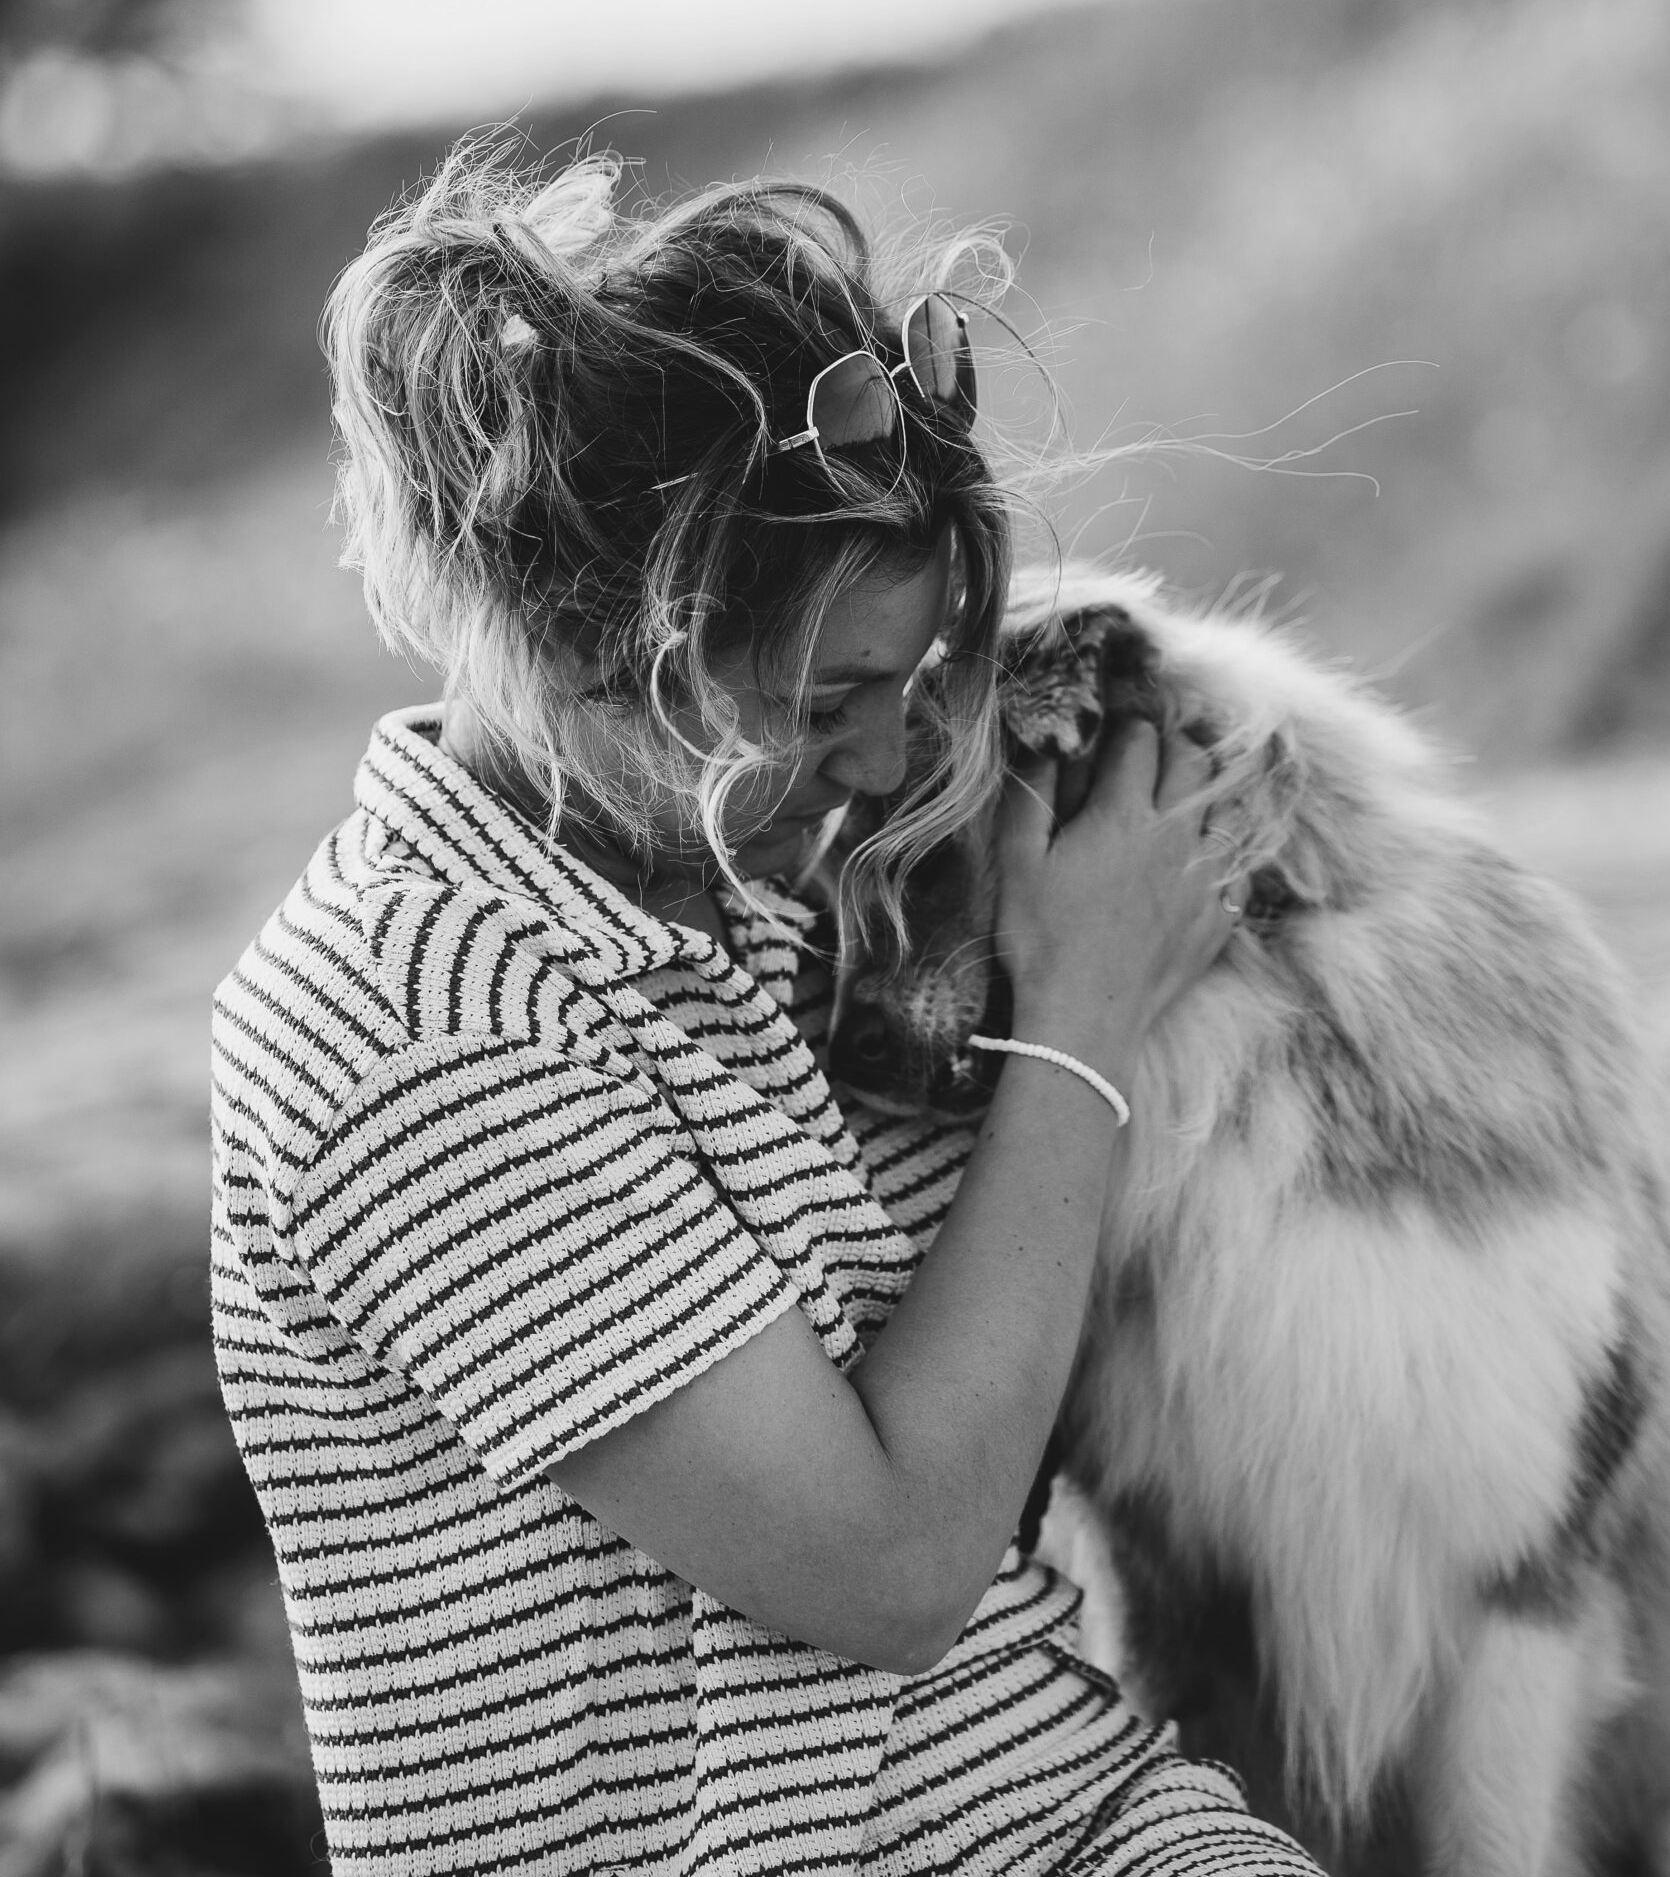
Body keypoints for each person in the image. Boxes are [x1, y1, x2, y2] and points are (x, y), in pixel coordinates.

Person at [211, 146, 1321, 1877]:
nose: (891, 763)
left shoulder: (731, 901)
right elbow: (888, 1572)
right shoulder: (416, 1026)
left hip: (1071, 1819)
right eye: (836, 696)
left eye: (923, 676)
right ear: (603, 646)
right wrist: (1086, 1005)